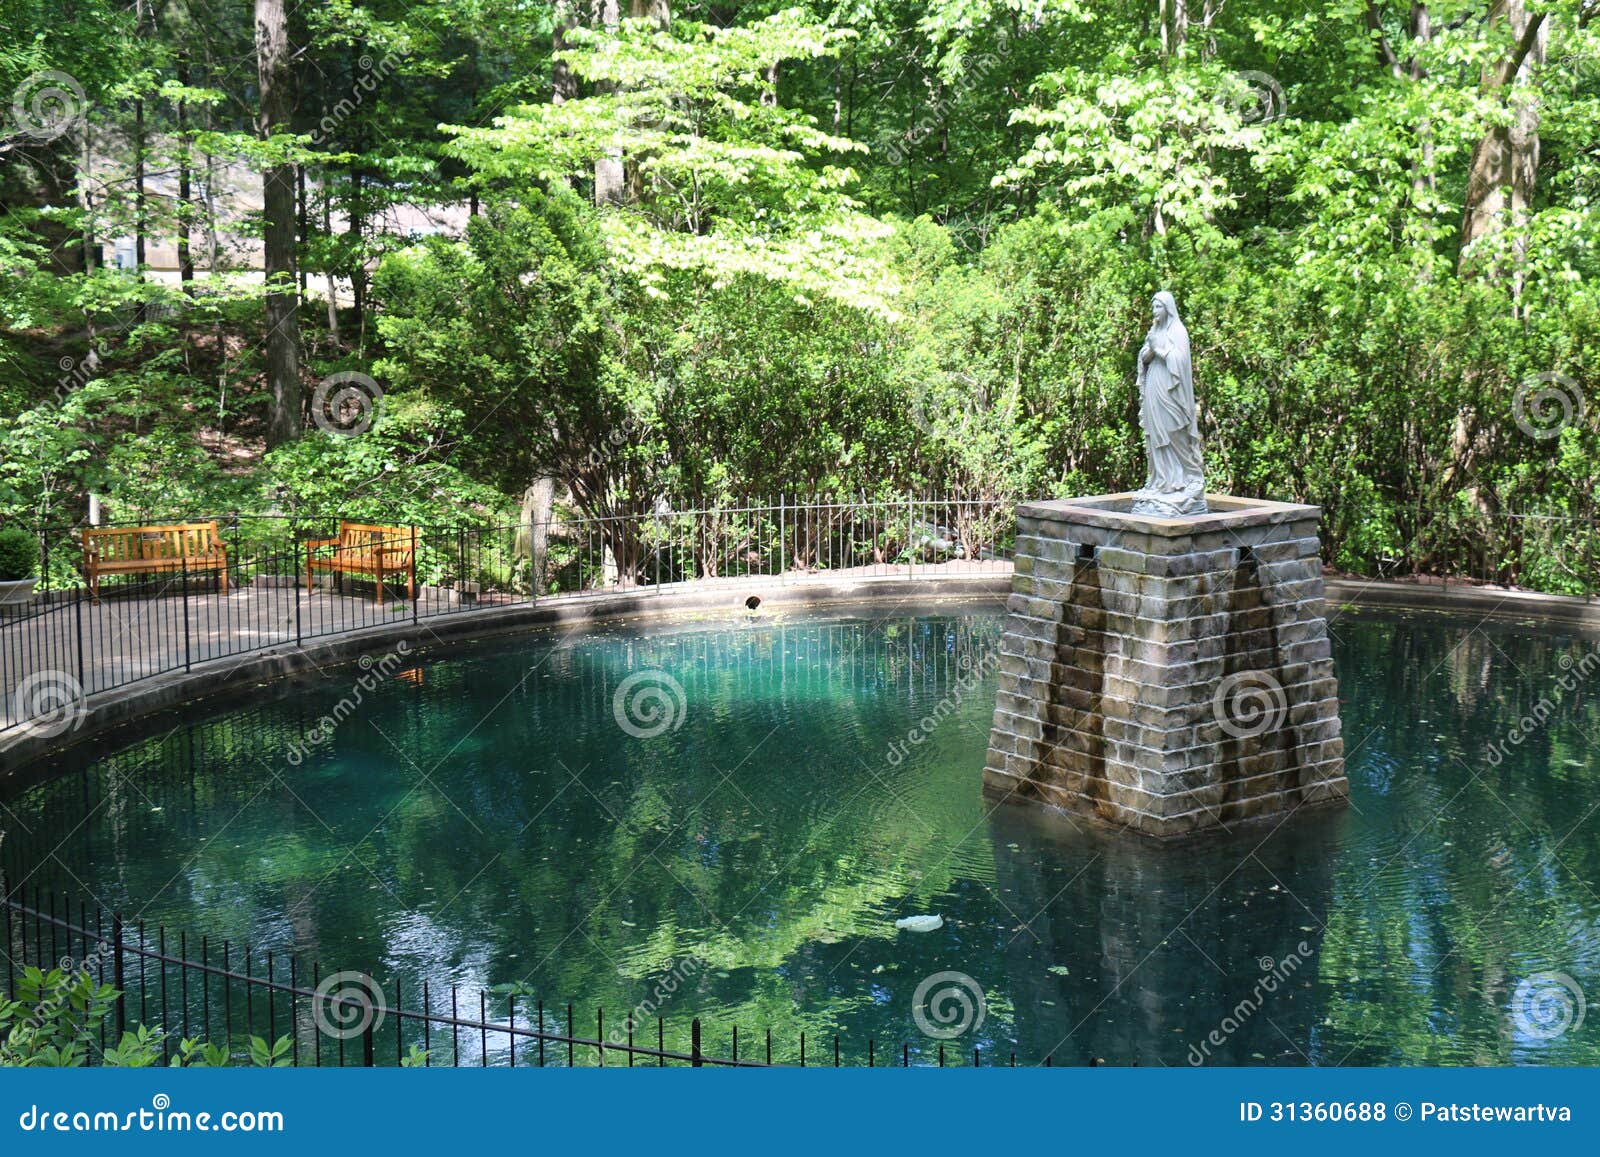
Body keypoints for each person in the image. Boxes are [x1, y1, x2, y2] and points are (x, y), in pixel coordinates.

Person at [1133, 291, 1208, 515]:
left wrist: (1160, 349)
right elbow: (1144, 357)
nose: (1154, 312)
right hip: (1154, 384)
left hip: (1171, 390)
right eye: (1153, 307)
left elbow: (1181, 361)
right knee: (1156, 435)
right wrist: (1146, 354)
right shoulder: (1154, 330)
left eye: (1158, 307)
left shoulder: (1178, 331)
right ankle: (1161, 482)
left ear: (1168, 308)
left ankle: (1185, 480)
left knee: (1173, 432)